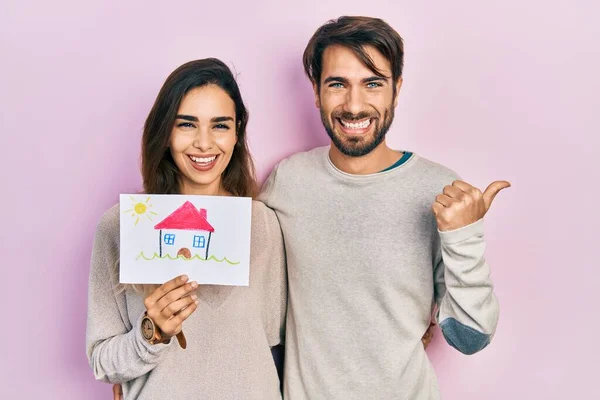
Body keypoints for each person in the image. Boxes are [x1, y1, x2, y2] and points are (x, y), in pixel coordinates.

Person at [259, 16, 510, 399]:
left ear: (396, 90)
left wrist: (463, 235)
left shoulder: (438, 189)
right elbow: (246, 290)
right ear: (316, 92)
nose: (354, 105)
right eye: (337, 84)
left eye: (373, 84)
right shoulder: (288, 181)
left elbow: (470, 338)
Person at [86, 58, 286, 400]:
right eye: (187, 125)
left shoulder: (263, 224)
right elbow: (103, 363)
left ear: (237, 132)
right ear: (165, 134)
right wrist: (152, 333)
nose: (204, 144)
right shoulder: (120, 225)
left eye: (220, 125)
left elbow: (274, 344)